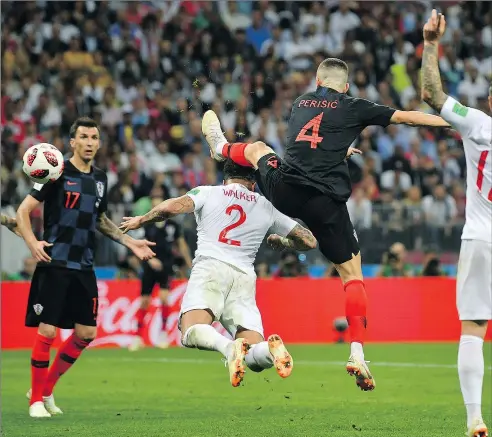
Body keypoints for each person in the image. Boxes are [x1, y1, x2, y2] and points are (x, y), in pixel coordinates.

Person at [201, 59, 450, 391]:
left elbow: (309, 141)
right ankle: (357, 353)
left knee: (259, 148)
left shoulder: (301, 102)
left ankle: (221, 148)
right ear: (346, 87)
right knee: (352, 277)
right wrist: (452, 122)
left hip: (285, 192)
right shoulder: (353, 106)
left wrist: (339, 149)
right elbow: (407, 118)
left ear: (318, 80)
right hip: (325, 204)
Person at [120, 159, 317, 387]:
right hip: (244, 277)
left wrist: (141, 219)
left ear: (225, 180)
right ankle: (269, 351)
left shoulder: (208, 192)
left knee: (190, 329)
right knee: (253, 354)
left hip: (211, 268)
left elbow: (169, 208)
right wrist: (283, 241)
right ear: (253, 184)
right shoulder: (266, 206)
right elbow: (308, 240)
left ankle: (227, 348)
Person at [16, 117, 156, 418]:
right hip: (55, 262)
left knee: (86, 333)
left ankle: (46, 389)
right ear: (72, 142)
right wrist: (33, 243)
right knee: (49, 330)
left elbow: (100, 220)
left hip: (84, 266)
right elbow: (23, 211)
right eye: (84, 137)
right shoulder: (54, 171)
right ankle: (35, 401)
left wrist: (130, 243)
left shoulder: (101, 179)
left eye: (94, 137)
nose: (90, 142)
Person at [421, 10, 491, 437]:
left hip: (481, 239)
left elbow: (431, 93)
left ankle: (474, 419)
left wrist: (430, 42)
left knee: (473, 330)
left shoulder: (479, 124)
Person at [130, 189, 192, 351]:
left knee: (165, 298)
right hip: (149, 265)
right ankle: (138, 337)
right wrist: (150, 260)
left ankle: (163, 335)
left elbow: (181, 244)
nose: (156, 203)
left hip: (166, 265)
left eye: (159, 200)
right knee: (145, 301)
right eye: (154, 201)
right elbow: (140, 245)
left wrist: (189, 263)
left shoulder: (173, 225)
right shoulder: (147, 224)